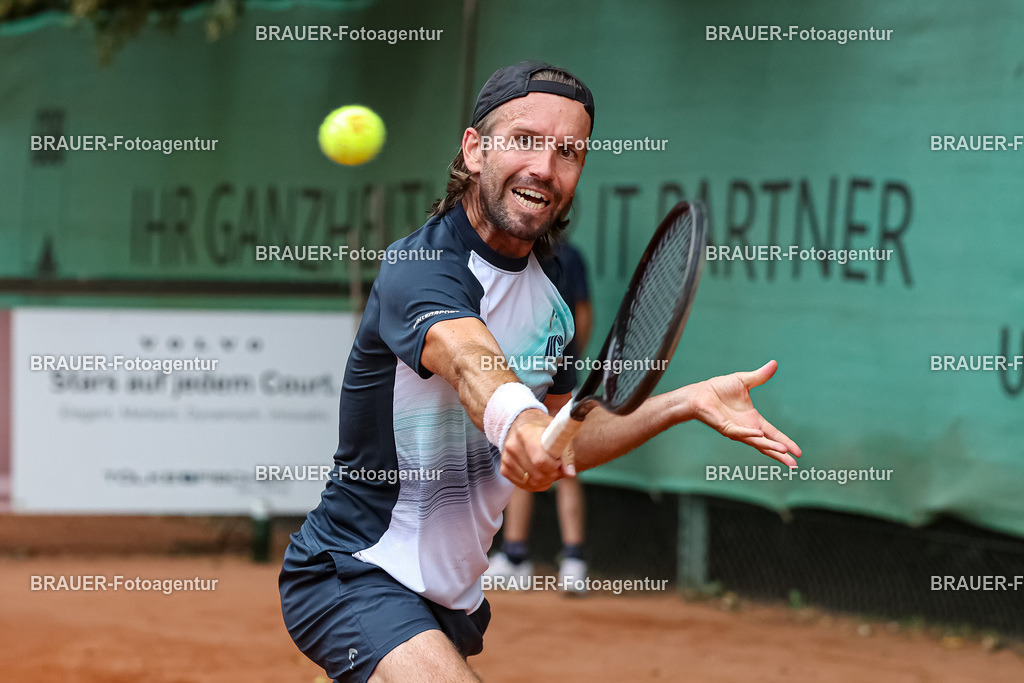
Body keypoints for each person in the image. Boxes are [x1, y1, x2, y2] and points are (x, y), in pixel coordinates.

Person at [279, 60, 801, 683]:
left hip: (450, 601)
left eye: (569, 152)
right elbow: (471, 361)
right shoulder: (418, 267)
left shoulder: (550, 295)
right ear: (475, 150)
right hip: (356, 571)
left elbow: (565, 433)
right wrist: (520, 426)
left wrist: (684, 401)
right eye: (525, 140)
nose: (545, 169)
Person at [484, 238, 593, 593]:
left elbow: (583, 314)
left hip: (555, 377)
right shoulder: (507, 252)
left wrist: (566, 363)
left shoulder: (569, 257)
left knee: (567, 461)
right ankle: (516, 556)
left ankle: (574, 559)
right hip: (518, 377)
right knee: (518, 455)